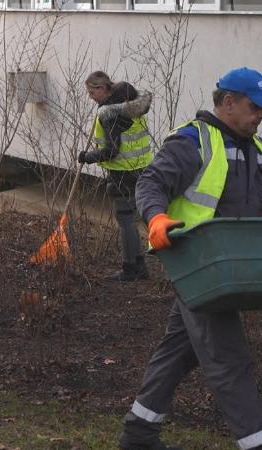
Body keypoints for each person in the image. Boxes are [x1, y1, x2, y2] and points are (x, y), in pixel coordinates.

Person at [119, 67, 262, 450]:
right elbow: (151, 183)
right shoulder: (192, 141)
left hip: (227, 273)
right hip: (199, 268)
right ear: (228, 102)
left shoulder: (255, 150)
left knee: (179, 351)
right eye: (254, 107)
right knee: (229, 360)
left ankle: (139, 431)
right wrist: (156, 218)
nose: (258, 115)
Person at [79, 71, 153, 282]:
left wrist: (88, 157)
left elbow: (111, 151)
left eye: (92, 92)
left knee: (126, 219)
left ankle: (133, 269)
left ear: (102, 89)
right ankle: (158, 266)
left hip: (124, 173)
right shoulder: (132, 103)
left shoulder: (111, 114)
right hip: (144, 167)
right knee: (149, 216)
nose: (90, 96)